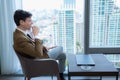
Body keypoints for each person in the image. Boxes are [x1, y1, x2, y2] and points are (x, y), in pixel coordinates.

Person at [13, 9, 66, 80]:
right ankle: (60, 75)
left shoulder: (20, 33)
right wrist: (35, 35)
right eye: (29, 21)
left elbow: (30, 46)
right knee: (60, 47)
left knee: (62, 55)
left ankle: (60, 75)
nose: (32, 23)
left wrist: (43, 47)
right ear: (21, 22)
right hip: (38, 62)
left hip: (35, 58)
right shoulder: (20, 38)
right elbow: (38, 54)